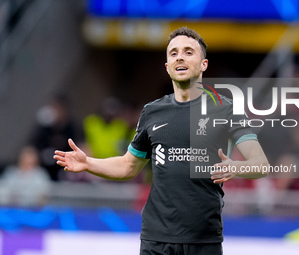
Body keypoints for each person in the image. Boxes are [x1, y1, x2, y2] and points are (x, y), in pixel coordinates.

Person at [54, 27, 269, 255]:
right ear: (167, 67)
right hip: (156, 239)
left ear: (204, 64)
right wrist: (88, 163)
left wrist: (236, 167)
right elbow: (128, 166)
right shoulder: (152, 112)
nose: (180, 57)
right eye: (173, 53)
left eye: (188, 52)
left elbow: (261, 164)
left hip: (203, 240)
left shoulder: (226, 109)